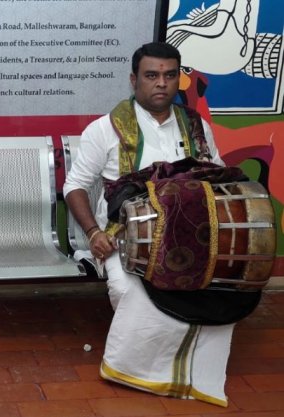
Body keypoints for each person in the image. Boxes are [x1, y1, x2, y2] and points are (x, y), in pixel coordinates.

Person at [63, 42, 233, 406]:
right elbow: (74, 185)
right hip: (125, 238)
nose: (162, 84)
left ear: (178, 80)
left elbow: (217, 174)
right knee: (129, 292)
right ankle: (140, 370)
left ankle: (189, 371)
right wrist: (93, 233)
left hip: (193, 236)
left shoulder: (196, 125)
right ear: (134, 80)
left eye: (170, 75)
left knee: (221, 287)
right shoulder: (105, 129)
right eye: (152, 76)